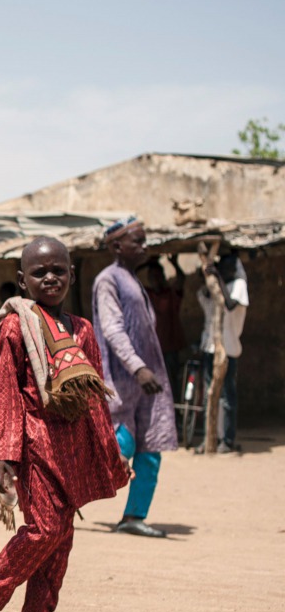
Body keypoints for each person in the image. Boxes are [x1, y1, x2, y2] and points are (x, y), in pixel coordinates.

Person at [0, 237, 128, 612]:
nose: (50, 277)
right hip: (35, 444)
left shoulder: (83, 330)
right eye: (40, 272)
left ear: (72, 274)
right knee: (45, 529)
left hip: (72, 447)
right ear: (22, 280)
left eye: (59, 270)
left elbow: (93, 398)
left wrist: (109, 450)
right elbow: (7, 392)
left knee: (62, 535)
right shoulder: (17, 325)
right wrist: (2, 454)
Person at [91, 216, 177, 538]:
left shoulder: (131, 280)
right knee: (116, 448)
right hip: (123, 381)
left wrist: (146, 372)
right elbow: (113, 330)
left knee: (150, 450)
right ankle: (59, 502)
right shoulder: (108, 280)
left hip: (147, 385)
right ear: (116, 246)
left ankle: (133, 516)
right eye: (137, 241)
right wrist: (137, 367)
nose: (145, 246)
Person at [196, 252, 249, 454]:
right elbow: (205, 296)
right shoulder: (216, 285)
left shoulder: (239, 286)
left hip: (229, 349)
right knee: (210, 395)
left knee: (227, 396)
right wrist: (211, 276)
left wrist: (217, 277)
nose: (223, 271)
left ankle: (227, 440)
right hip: (211, 347)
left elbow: (229, 305)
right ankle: (211, 438)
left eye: (226, 268)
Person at [142, 255, 187, 401]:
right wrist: (141, 264)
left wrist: (174, 263)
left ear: (162, 277)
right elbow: (130, 278)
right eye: (151, 276)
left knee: (171, 384)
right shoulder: (146, 295)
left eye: (157, 275)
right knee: (153, 385)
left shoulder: (170, 294)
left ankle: (175, 418)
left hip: (170, 348)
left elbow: (181, 279)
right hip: (152, 349)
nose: (154, 279)